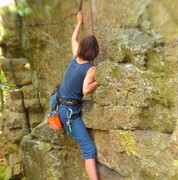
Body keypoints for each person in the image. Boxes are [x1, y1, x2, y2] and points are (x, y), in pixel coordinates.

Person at [50, 11, 99, 180]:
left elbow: (73, 39)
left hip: (55, 102)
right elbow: (86, 90)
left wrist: (79, 22)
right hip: (67, 113)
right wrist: (99, 81)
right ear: (95, 52)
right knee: (89, 150)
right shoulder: (91, 68)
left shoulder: (75, 56)